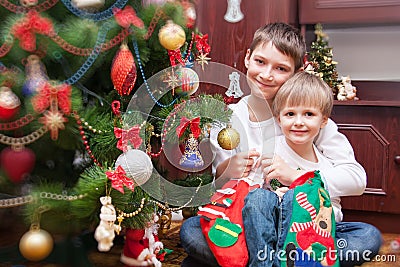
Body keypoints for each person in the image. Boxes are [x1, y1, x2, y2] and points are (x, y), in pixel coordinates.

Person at [179, 22, 381, 267]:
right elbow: (223, 191)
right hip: (249, 223)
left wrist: (295, 176)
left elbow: (356, 179)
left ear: (296, 72)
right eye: (260, 62)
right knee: (191, 230)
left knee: (367, 237)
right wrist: (227, 170)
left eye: (281, 68)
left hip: (306, 225)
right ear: (247, 58)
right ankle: (287, 259)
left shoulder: (308, 118)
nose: (266, 75)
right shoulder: (228, 119)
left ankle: (258, 258)